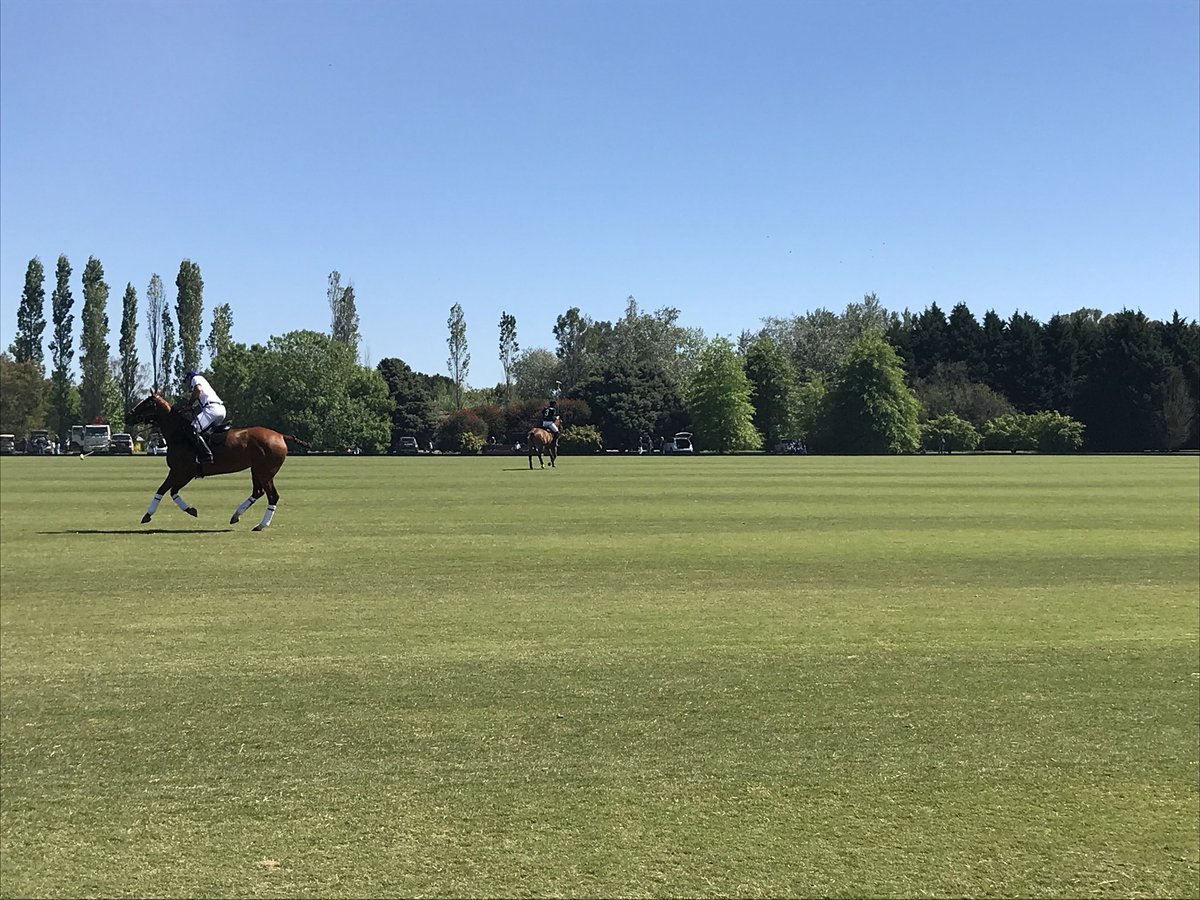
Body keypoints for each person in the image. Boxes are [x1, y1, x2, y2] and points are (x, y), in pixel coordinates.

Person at [184, 369, 226, 464]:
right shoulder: (204, 383)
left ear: (189, 378)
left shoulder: (196, 378)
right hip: (220, 409)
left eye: (186, 381)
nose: (186, 385)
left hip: (212, 409)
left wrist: (190, 403)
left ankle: (206, 455)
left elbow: (197, 389)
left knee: (192, 430)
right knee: (205, 433)